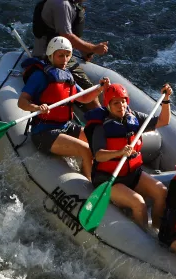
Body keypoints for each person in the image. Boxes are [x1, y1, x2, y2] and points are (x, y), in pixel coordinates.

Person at [82, 82, 173, 230]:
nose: (121, 106)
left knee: (161, 192)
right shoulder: (101, 126)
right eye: (116, 103)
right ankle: (144, 238)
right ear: (108, 105)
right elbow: (98, 156)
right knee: (139, 202)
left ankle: (156, 230)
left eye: (123, 101)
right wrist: (119, 152)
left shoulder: (134, 117)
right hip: (108, 179)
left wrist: (166, 99)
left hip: (132, 173)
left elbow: (164, 120)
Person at [18, 36, 108, 182]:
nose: (65, 59)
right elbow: (21, 102)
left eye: (67, 55)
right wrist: (36, 107)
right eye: (60, 55)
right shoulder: (40, 76)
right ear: (51, 55)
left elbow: (84, 98)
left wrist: (99, 89)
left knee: (96, 138)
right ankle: (90, 183)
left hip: (65, 126)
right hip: (44, 132)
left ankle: (101, 172)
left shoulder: (68, 76)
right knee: (85, 149)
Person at [32, 0, 109, 110]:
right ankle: (98, 121)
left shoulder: (72, 4)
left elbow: (70, 33)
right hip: (49, 56)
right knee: (89, 89)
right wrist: (94, 48)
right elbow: (66, 35)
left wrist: (84, 51)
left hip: (59, 52)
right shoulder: (62, 4)